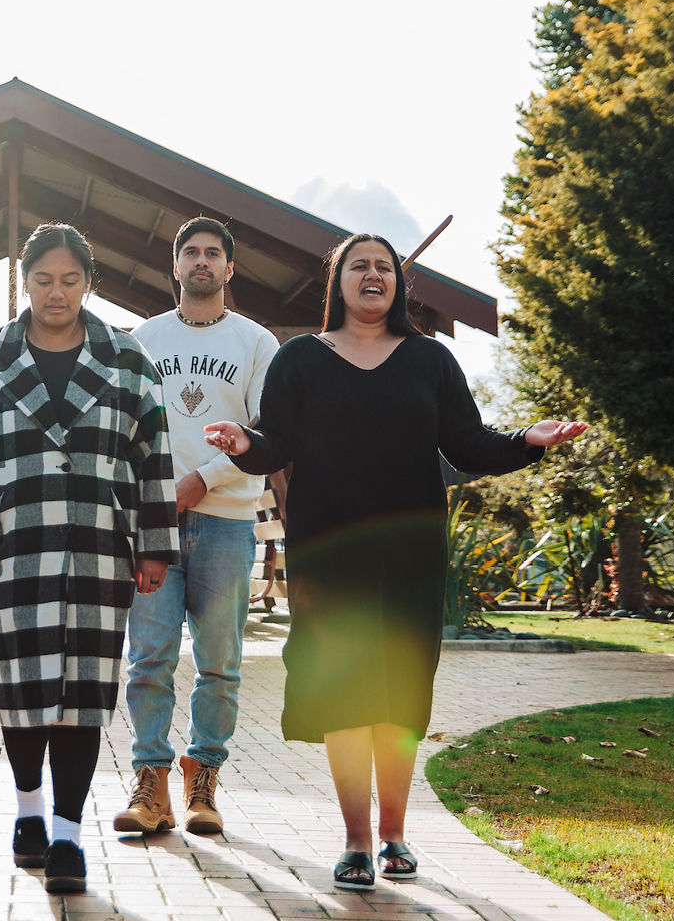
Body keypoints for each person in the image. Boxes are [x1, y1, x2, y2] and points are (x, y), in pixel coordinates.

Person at [202, 233, 584, 891]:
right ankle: (355, 841)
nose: (372, 275)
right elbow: (276, 441)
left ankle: (396, 835)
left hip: (411, 554)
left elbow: (467, 443)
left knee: (401, 696)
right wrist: (243, 444)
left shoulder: (428, 361)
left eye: (383, 266)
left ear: (397, 285)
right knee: (347, 693)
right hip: (332, 553)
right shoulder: (301, 360)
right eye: (359, 266)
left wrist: (527, 440)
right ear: (339, 282)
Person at [0, 223, 178, 894]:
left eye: (70, 280)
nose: (56, 292)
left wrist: (155, 545)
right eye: (43, 279)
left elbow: (155, 460)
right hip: (15, 546)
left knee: (84, 693)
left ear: (89, 284)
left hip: (101, 546)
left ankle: (68, 836)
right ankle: (29, 812)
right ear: (24, 281)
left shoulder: (128, 363)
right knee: (23, 690)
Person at [118, 217, 277, 835]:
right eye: (192, 253)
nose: (203, 262)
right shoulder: (141, 340)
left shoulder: (258, 343)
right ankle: (150, 784)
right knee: (149, 660)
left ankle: (203, 779)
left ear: (229, 269)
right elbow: (123, 430)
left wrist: (201, 480)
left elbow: (268, 435)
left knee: (220, 663)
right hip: (153, 527)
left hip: (226, 523)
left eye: (214, 254)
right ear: (175, 266)